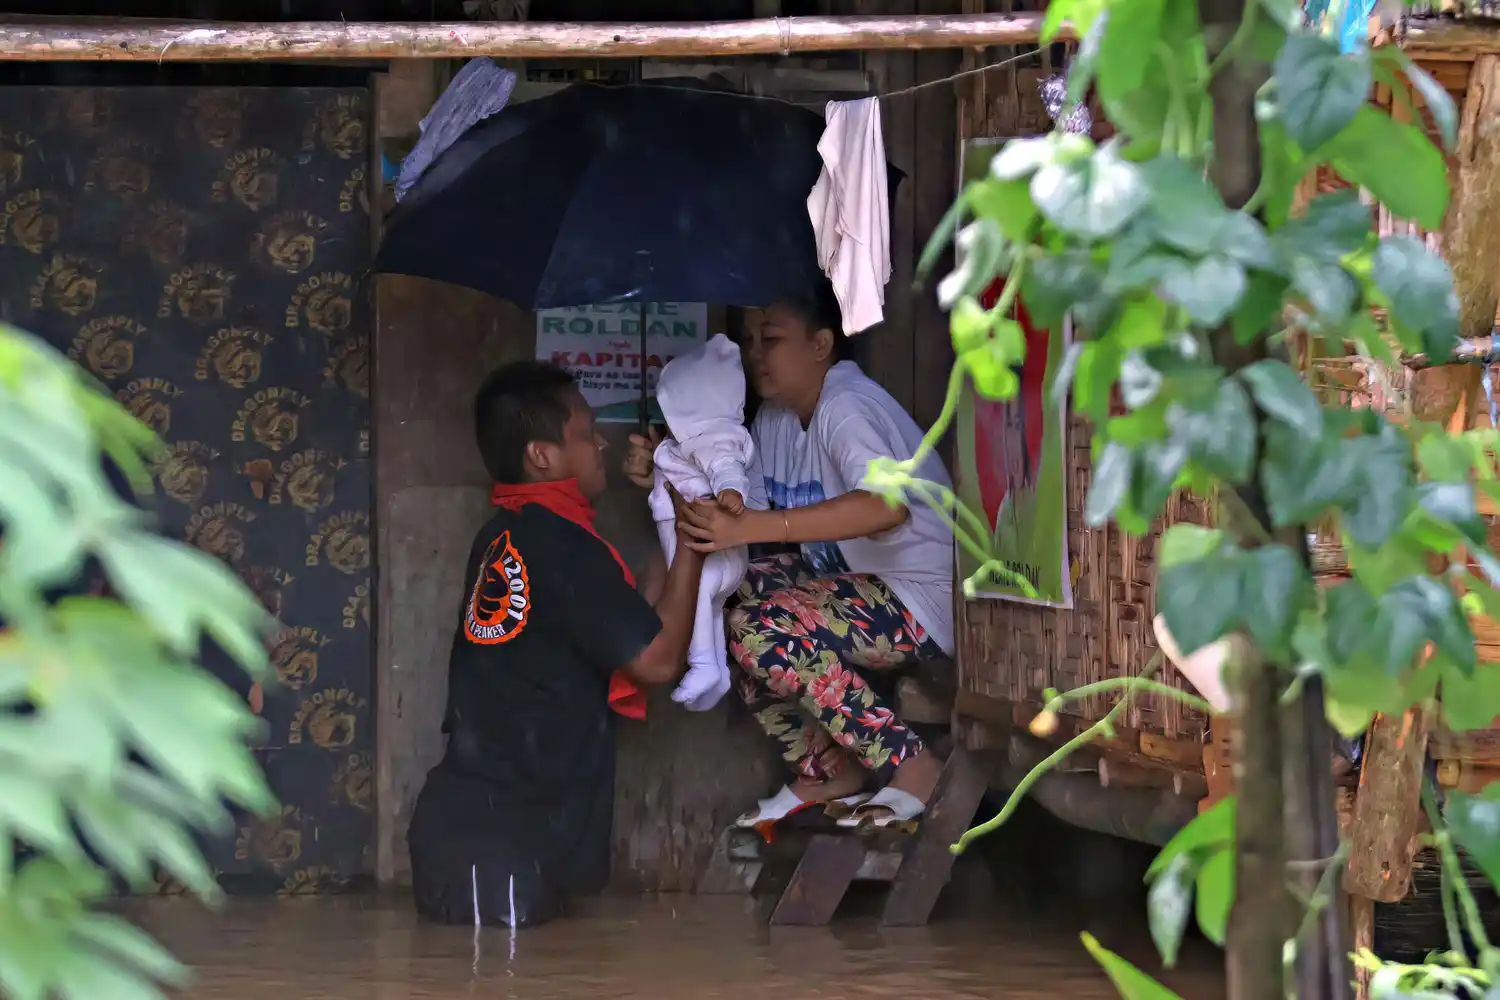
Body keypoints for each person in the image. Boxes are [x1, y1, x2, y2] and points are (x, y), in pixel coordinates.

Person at [623, 292, 955, 830]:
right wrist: (665, 471)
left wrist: (760, 526)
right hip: (851, 586)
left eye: (771, 339)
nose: (756, 353)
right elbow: (733, 509)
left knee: (760, 626)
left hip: (922, 598)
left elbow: (886, 507)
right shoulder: (776, 420)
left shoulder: (845, 406)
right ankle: (826, 768)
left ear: (821, 345)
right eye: (750, 340)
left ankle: (912, 764)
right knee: (723, 594)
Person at [407, 361, 704, 929]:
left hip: (490, 836)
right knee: (509, 969)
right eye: (586, 432)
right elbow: (658, 658)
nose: (601, 443)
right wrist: (695, 537)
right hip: (498, 850)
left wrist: (668, 506)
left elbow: (636, 615)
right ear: (542, 456)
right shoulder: (559, 543)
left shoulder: (510, 532)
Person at [648, 333, 765, 712]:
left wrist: (731, 491)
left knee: (697, 596)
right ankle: (717, 671)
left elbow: (727, 466)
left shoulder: (712, 439)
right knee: (709, 607)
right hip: (714, 555)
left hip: (711, 552)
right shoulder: (690, 443)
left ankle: (702, 663)